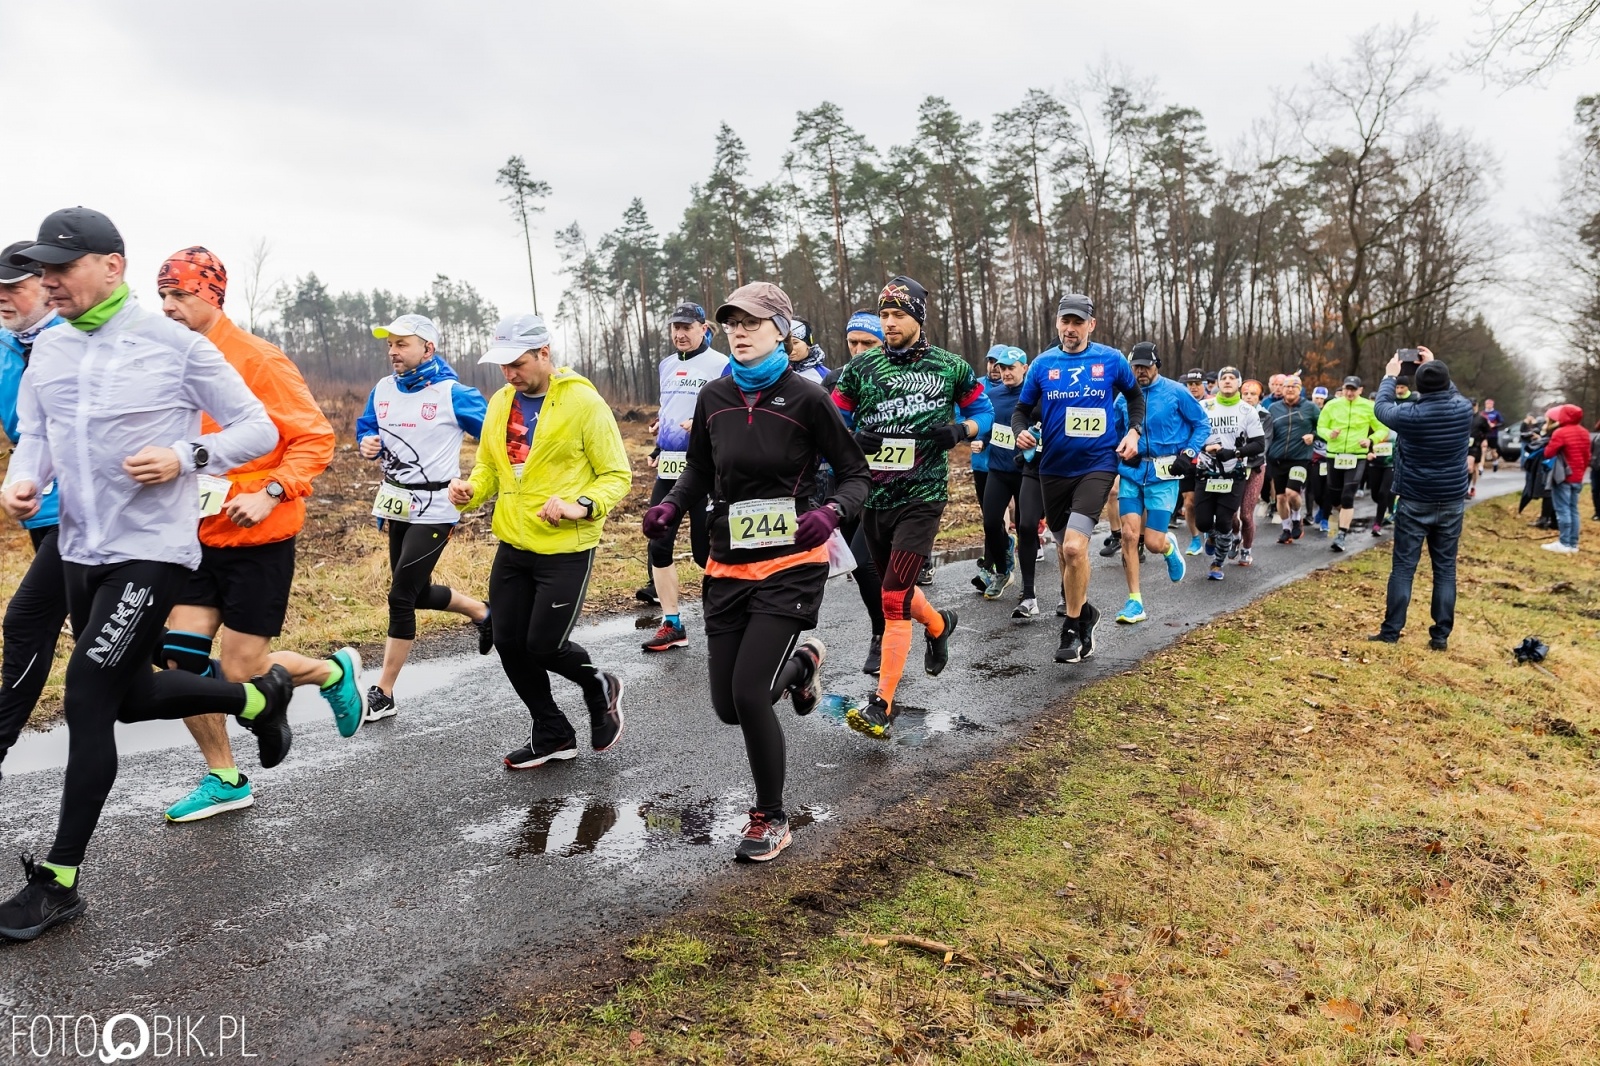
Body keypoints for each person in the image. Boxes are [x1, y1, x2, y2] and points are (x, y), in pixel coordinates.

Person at [0, 207, 293, 941]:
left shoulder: (173, 344)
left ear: (111, 266)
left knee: (89, 696)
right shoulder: (52, 351)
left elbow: (259, 428)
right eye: (45, 270)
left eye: (63, 268)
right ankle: (257, 701)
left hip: (151, 552)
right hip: (77, 547)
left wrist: (185, 457)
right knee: (128, 697)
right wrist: (23, 478)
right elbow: (37, 433)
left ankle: (58, 882)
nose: (50, 282)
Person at [643, 282, 870, 861]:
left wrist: (832, 511)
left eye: (753, 322)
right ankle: (803, 664)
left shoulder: (807, 398)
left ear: (782, 331)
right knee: (727, 705)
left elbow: (855, 475)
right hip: (727, 562)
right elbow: (696, 471)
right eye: (732, 322)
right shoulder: (714, 397)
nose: (739, 331)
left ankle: (771, 816)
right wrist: (672, 505)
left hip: (791, 562)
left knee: (747, 694)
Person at [152, 247, 364, 822]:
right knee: (182, 663)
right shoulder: (165, 358)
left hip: (257, 539)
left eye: (181, 296)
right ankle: (224, 777)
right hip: (192, 539)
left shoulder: (258, 360)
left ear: (212, 297)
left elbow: (315, 438)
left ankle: (331, 671)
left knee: (242, 670)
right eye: (163, 296)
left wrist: (267, 491)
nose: (168, 307)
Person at [450, 312, 629, 770]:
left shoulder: (584, 404)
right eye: (503, 366)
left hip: (565, 548)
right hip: (514, 543)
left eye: (518, 363)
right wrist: (471, 490)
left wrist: (581, 504)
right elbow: (491, 468)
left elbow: (616, 475)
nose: (509, 374)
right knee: (509, 642)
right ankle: (552, 732)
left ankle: (599, 685)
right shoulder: (500, 403)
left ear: (544, 354)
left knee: (543, 646)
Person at [831, 276, 992, 737]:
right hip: (873, 496)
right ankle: (940, 626)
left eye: (898, 315)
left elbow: (985, 415)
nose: (889, 323)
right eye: (883, 315)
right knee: (892, 589)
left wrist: (963, 431)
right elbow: (833, 423)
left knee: (892, 598)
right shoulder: (860, 371)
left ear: (918, 317)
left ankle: (882, 704)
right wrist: (850, 440)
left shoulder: (950, 367)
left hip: (922, 496)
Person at [356, 314, 491, 720]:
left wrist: (478, 480)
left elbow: (496, 437)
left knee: (400, 595)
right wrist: (368, 442)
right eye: (390, 345)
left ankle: (385, 690)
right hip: (397, 501)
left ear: (427, 349)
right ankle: (482, 612)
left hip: (436, 507)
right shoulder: (382, 389)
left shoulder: (453, 393)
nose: (393, 352)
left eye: (402, 344)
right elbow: (366, 427)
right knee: (412, 591)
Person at [1011, 294, 1144, 663]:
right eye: (1064, 322)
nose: (1070, 329)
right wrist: (1021, 431)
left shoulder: (1111, 359)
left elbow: (1135, 397)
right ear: (1057, 324)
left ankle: (1071, 625)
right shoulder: (1042, 364)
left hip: (1097, 465)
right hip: (1052, 469)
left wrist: (1133, 432)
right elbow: (1022, 410)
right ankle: (1085, 613)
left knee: (1074, 548)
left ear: (1091, 325)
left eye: (1077, 322)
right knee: (1064, 549)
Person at [0, 243, 68, 779]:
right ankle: (259, 692)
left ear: (47, 286)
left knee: (27, 622)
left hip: (87, 513)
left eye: (13, 287)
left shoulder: (72, 342)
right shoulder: (5, 345)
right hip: (41, 513)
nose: (1, 297)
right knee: (136, 655)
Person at [1368, 349, 1472, 649]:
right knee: (1445, 570)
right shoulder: (1463, 409)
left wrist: (1390, 375)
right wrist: (1434, 366)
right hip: (1451, 500)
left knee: (1403, 568)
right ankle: (1440, 638)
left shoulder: (1409, 416)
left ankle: (1391, 632)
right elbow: (1449, 390)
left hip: (1415, 499)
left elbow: (1381, 408)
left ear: (1418, 387)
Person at [640, 302, 727, 652]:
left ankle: (727, 614)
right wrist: (660, 442)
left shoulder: (721, 364)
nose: (680, 333)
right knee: (658, 540)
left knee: (704, 552)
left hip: (706, 468)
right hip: (671, 467)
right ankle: (672, 623)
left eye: (687, 327)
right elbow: (670, 409)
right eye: (675, 327)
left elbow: (733, 410)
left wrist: (707, 425)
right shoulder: (666, 365)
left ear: (703, 328)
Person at [1110, 342, 1203, 622]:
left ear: (1156, 365)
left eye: (1145, 366)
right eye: (1135, 367)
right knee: (1128, 534)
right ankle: (1135, 602)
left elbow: (1202, 424)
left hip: (1164, 474)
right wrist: (1122, 455)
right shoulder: (1122, 399)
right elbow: (1114, 433)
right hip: (1132, 474)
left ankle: (1168, 547)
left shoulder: (1176, 392)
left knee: (1152, 542)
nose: (1140, 372)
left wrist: (1188, 454)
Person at [822, 310, 890, 674]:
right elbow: (816, 430)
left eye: (870, 343)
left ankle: (882, 635)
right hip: (845, 486)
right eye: (854, 343)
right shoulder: (835, 380)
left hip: (887, 487)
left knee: (866, 565)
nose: (860, 350)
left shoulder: (899, 381)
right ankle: (929, 621)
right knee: (860, 566)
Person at [978, 347, 1044, 607]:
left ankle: (1029, 590)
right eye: (1002, 368)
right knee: (991, 522)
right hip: (997, 469)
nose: (1004, 372)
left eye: (1011, 368)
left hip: (1026, 473)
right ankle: (1004, 568)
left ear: (1024, 368)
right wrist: (980, 441)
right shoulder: (992, 395)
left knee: (1026, 527)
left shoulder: (1034, 398)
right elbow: (987, 426)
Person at [1194, 367, 1264, 581]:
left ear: (1239, 384)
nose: (1227, 381)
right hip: (1206, 470)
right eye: (1223, 378)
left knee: (1225, 521)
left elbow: (1259, 444)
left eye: (1232, 378)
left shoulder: (1247, 410)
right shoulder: (1204, 406)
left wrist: (1234, 452)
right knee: (1203, 522)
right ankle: (1212, 536)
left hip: (1233, 473)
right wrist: (1203, 448)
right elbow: (1190, 432)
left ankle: (1218, 563)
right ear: (1216, 383)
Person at [1316, 375, 1388, 552]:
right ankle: (1341, 517)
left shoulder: (1369, 406)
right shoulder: (1332, 405)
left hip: (1356, 456)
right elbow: (1321, 427)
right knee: (1334, 497)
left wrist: (1371, 440)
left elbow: (1382, 428)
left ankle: (1341, 534)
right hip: (1334, 455)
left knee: (1348, 495)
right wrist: (1329, 434)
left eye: (1353, 389)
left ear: (1360, 390)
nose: (1349, 392)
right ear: (1343, 388)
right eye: (1347, 388)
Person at [1264, 375, 1318, 544]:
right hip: (1277, 458)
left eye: (1294, 386)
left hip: (1300, 458)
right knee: (1280, 498)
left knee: (1292, 493)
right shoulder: (1273, 408)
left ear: (1300, 389)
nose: (1289, 389)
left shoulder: (1310, 408)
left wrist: (1314, 435)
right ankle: (1286, 529)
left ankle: (1296, 519)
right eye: (1286, 386)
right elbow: (1265, 430)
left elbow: (1322, 426)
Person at [1542, 403, 1590, 553]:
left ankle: (1564, 543)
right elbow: (1587, 456)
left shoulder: (1561, 432)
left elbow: (1548, 453)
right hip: (1578, 476)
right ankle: (1573, 544)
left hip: (1563, 476)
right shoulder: (1584, 432)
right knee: (1573, 509)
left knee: (1562, 510)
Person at [1234, 378, 1271, 566]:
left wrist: (1240, 454)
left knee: (1246, 514)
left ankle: (1246, 549)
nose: (1249, 397)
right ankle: (1234, 536)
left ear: (1260, 397)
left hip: (1255, 468)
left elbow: (1262, 446)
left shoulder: (1265, 416)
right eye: (1245, 394)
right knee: (1231, 512)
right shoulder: (1234, 412)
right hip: (1233, 467)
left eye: (1253, 394)